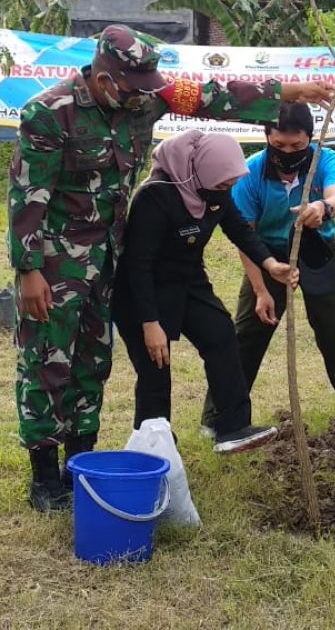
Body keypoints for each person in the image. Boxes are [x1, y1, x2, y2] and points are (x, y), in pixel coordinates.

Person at [9, 25, 335, 512]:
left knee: (91, 364)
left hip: (109, 257)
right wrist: (28, 269)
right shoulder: (50, 112)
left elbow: (215, 96)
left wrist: (295, 91)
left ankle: (78, 464)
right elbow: (29, 193)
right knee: (46, 362)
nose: (145, 98)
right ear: (104, 78)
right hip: (55, 261)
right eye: (133, 88)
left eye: (149, 88)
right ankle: (43, 478)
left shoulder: (148, 95)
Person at [114, 129, 296, 454]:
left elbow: (239, 228)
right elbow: (137, 264)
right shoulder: (155, 197)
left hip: (187, 280)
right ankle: (154, 450)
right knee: (156, 369)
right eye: (223, 184)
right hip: (143, 291)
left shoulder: (214, 189)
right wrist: (150, 324)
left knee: (221, 334)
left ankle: (233, 427)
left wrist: (270, 265)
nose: (227, 190)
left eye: (230, 184)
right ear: (202, 170)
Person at [200, 102, 335, 434]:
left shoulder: (328, 161)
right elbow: (243, 235)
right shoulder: (250, 173)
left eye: (296, 146)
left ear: (310, 139)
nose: (287, 152)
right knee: (246, 334)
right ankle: (219, 418)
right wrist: (262, 291)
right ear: (266, 137)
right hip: (265, 253)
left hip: (317, 247)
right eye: (278, 145)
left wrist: (323, 207)